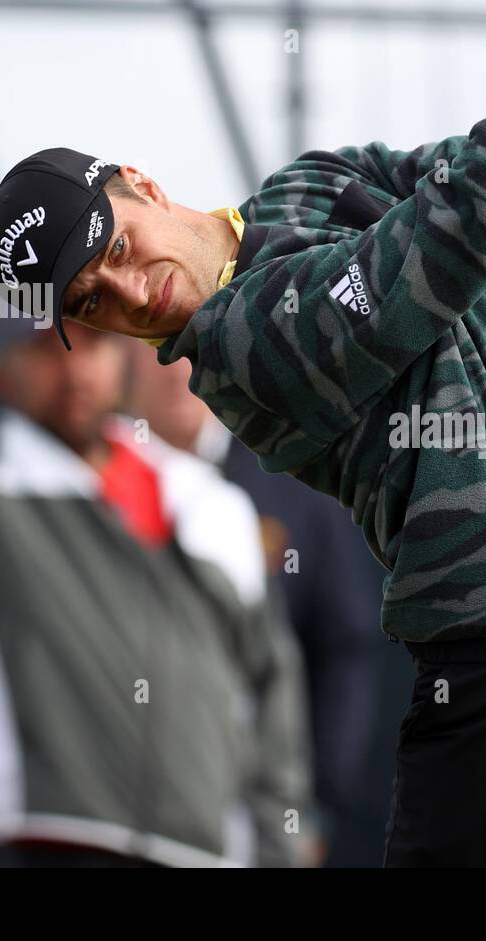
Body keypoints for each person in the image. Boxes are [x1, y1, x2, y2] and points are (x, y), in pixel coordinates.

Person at [0, 0, 486, 866]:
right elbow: (458, 231)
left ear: (142, 183)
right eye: (92, 301)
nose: (128, 293)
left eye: (117, 247)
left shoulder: (309, 186)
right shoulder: (240, 359)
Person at [0, 37, 312, 867]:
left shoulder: (209, 503)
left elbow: (272, 705)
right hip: (37, 846)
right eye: (39, 345)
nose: (67, 366)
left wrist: (282, 844)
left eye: (77, 334)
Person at [125, 344, 393, 864]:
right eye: (147, 349)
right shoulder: (90, 488)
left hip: (259, 815)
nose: (171, 370)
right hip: (126, 815)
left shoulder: (289, 473)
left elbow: (344, 646)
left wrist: (315, 803)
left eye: (177, 345)